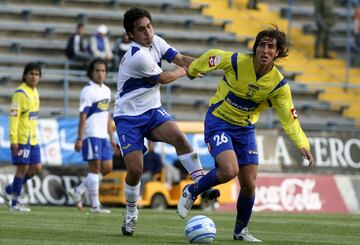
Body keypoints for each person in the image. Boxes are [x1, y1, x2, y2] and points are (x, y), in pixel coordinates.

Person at [177, 26, 316, 242]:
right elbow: (215, 56)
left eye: (271, 47)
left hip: (245, 130)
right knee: (229, 170)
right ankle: (192, 190)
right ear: (256, 47)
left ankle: (240, 231)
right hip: (219, 121)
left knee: (249, 185)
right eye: (262, 44)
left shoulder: (279, 85)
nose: (265, 50)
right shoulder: (237, 62)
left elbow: (289, 118)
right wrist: (194, 69)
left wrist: (302, 144)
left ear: (277, 53)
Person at [113, 7, 219, 236]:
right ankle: (131, 213)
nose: (147, 32)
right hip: (128, 117)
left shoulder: (156, 42)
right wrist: (185, 71)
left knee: (180, 138)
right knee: (135, 169)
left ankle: (201, 186)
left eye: (149, 26)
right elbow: (165, 77)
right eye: (141, 30)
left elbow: (180, 59)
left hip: (151, 111)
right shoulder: (137, 55)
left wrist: (207, 64)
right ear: (131, 34)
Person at [67, 58, 115, 214]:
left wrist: (111, 135)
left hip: (104, 136)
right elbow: (82, 115)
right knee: (94, 168)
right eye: (97, 71)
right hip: (91, 134)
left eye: (103, 71)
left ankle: (79, 190)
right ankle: (95, 205)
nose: (100, 74)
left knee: (107, 167)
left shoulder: (107, 90)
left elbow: (107, 115)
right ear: (91, 72)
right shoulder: (88, 90)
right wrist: (80, 137)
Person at [0, 62, 42, 212]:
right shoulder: (20, 93)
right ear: (25, 75)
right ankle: (15, 202)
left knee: (36, 167)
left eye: (37, 74)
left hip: (34, 138)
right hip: (22, 138)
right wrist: (14, 139)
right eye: (31, 73)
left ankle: (10, 190)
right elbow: (14, 118)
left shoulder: (35, 92)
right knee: (22, 169)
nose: (34, 77)